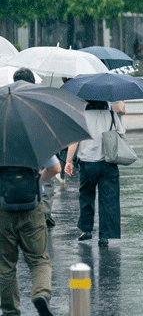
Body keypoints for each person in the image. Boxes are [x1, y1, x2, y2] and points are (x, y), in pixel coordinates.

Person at [0, 156, 60, 316]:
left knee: (6, 265)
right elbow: (55, 168)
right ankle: (41, 293)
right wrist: (37, 180)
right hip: (32, 206)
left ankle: (9, 311)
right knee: (39, 259)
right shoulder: (35, 136)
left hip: (3, 208)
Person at [65, 101, 125, 246]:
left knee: (86, 196)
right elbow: (121, 133)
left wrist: (68, 161)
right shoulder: (111, 114)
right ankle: (105, 235)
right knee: (109, 198)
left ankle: (86, 230)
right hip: (108, 162)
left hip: (87, 162)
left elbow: (74, 141)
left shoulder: (82, 116)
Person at [11, 69, 57, 229]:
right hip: (33, 194)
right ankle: (46, 214)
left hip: (6, 195)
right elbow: (55, 168)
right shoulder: (40, 105)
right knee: (36, 252)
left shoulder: (6, 104)